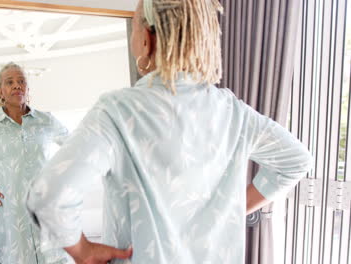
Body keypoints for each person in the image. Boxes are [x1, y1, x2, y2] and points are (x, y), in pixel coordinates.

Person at [26, 0, 313, 263]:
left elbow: (50, 195)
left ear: (146, 38)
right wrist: (232, 211)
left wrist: (83, 250)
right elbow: (296, 160)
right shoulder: (233, 112)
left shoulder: (118, 111)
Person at [0, 62, 70, 264]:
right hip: (9, 220)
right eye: (10, 82)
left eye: (21, 81)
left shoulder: (46, 121)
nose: (17, 85)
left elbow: (75, 146)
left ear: (27, 89)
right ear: (0, 91)